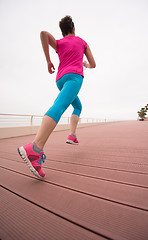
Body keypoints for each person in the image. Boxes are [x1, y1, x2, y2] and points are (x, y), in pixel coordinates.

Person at [18, 16, 96, 178]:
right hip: (74, 78)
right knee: (60, 105)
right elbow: (93, 64)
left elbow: (44, 34)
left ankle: (72, 135)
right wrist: (86, 65)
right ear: (73, 29)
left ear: (63, 31)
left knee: (78, 106)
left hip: (60, 80)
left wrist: (48, 61)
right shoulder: (82, 42)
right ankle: (35, 148)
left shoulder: (59, 43)